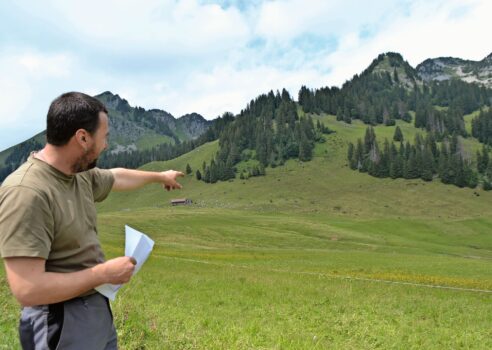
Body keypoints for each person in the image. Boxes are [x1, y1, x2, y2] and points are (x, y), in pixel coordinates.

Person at [0, 92, 185, 349]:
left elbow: (116, 177)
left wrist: (160, 176)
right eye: (104, 137)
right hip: (59, 321)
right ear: (83, 137)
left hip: (94, 310)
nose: (106, 145)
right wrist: (102, 274)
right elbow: (27, 289)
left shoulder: (78, 174)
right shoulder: (27, 192)